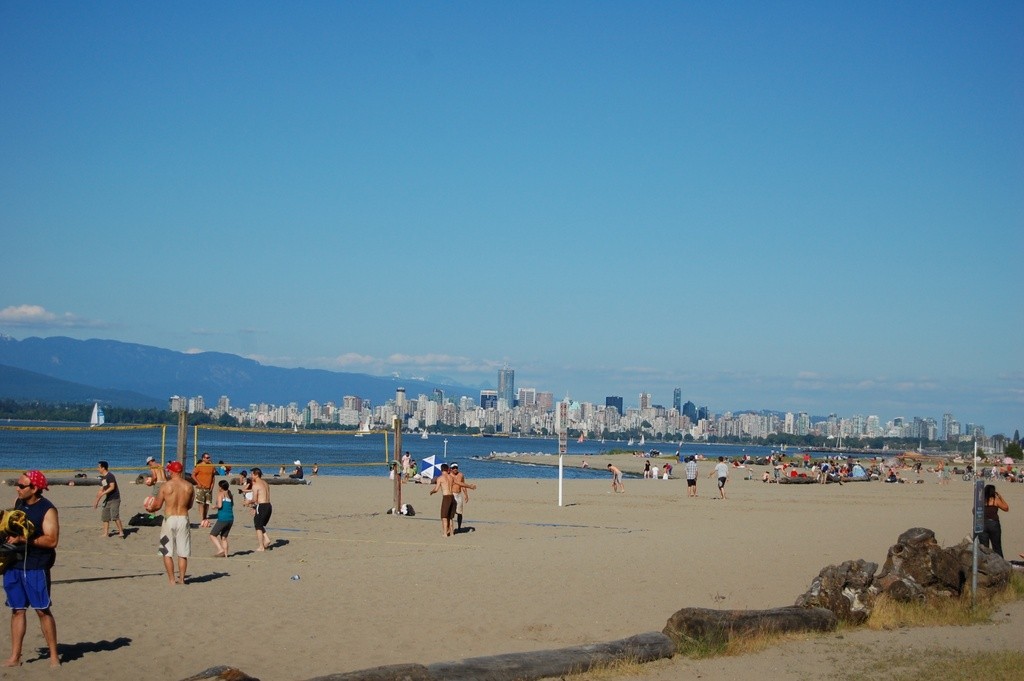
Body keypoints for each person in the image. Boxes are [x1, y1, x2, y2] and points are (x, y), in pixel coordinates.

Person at [3, 471, 60, 668]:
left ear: (34, 488)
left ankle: (54, 656)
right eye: (17, 485)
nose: (17, 488)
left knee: (42, 610)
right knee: (17, 610)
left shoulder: (47, 509)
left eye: (21, 486)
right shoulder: (19, 502)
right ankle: (15, 657)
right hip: (14, 563)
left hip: (36, 565)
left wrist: (23, 539)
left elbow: (52, 540)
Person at [147, 461, 194, 585]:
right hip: (183, 518)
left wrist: (150, 509)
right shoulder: (189, 486)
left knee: (166, 551)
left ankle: (172, 580)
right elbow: (189, 505)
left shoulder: (166, 486)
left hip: (169, 518)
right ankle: (182, 579)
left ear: (172, 471)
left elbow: (157, 505)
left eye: (169, 470)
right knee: (182, 552)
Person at [93, 460, 125, 539]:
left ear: (103, 468)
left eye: (99, 467)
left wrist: (103, 493)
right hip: (108, 499)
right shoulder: (103, 478)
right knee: (105, 516)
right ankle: (105, 533)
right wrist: (96, 501)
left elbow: (112, 487)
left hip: (115, 499)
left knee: (115, 516)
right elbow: (101, 490)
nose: (97, 469)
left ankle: (121, 532)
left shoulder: (110, 476)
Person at [978, 484, 1009, 557]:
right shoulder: (995, 500)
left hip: (982, 523)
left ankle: (986, 562)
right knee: (997, 547)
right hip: (993, 524)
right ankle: (1000, 562)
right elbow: (1006, 508)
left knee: (984, 548)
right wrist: (1000, 497)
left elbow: (974, 511)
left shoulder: (981, 501)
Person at [247, 468, 272, 551]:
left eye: (252, 474)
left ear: (256, 475)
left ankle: (261, 546)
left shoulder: (256, 485)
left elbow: (254, 499)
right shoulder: (265, 483)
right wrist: (254, 507)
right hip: (268, 506)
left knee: (257, 526)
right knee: (259, 524)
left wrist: (247, 502)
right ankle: (266, 539)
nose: (251, 476)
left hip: (262, 506)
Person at [449, 463, 477, 533]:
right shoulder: (449, 476)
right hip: (452, 494)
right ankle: (450, 528)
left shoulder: (461, 475)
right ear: (451, 469)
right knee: (451, 512)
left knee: (459, 513)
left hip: (459, 494)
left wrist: (466, 495)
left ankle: (459, 527)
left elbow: (463, 485)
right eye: (453, 468)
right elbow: (459, 483)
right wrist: (470, 486)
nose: (455, 469)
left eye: (456, 467)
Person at [208, 480, 234, 558]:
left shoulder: (221, 494)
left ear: (221, 487)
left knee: (212, 535)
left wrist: (214, 507)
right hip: (230, 518)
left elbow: (220, 506)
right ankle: (225, 555)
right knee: (224, 537)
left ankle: (220, 549)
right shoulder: (229, 494)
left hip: (223, 518)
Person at [429, 463, 455, 536]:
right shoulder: (451, 477)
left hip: (446, 497)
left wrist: (432, 492)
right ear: (447, 469)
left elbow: (436, 489)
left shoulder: (440, 478)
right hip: (452, 496)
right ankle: (452, 533)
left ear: (441, 469)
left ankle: (445, 533)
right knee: (450, 517)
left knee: (444, 517)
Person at [192, 452, 217, 522]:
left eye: (209, 457)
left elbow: (213, 477)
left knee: (207, 503)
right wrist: (198, 483)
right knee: (201, 503)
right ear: (203, 458)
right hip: (201, 487)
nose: (209, 459)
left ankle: (205, 516)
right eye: (207, 457)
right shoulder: (199, 466)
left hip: (208, 488)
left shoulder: (211, 466)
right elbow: (193, 475)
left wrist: (212, 486)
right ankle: (202, 517)